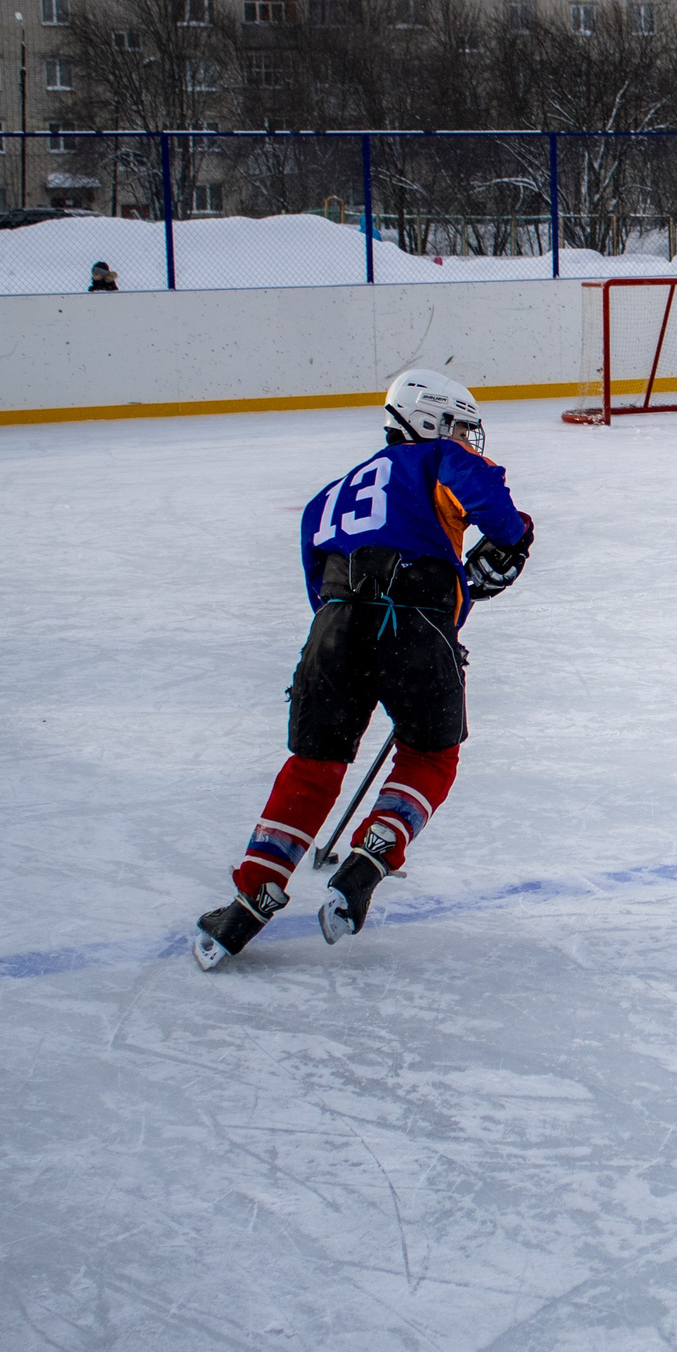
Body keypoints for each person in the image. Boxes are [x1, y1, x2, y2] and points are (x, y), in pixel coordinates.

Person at [190, 368, 537, 971]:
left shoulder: (328, 495)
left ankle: (250, 899)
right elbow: (492, 506)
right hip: (414, 622)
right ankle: (376, 850)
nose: (461, 438)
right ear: (427, 422)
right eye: (454, 426)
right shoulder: (435, 461)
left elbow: (315, 584)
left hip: (331, 631)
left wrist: (352, 640)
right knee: (430, 755)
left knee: (312, 766)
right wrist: (516, 539)